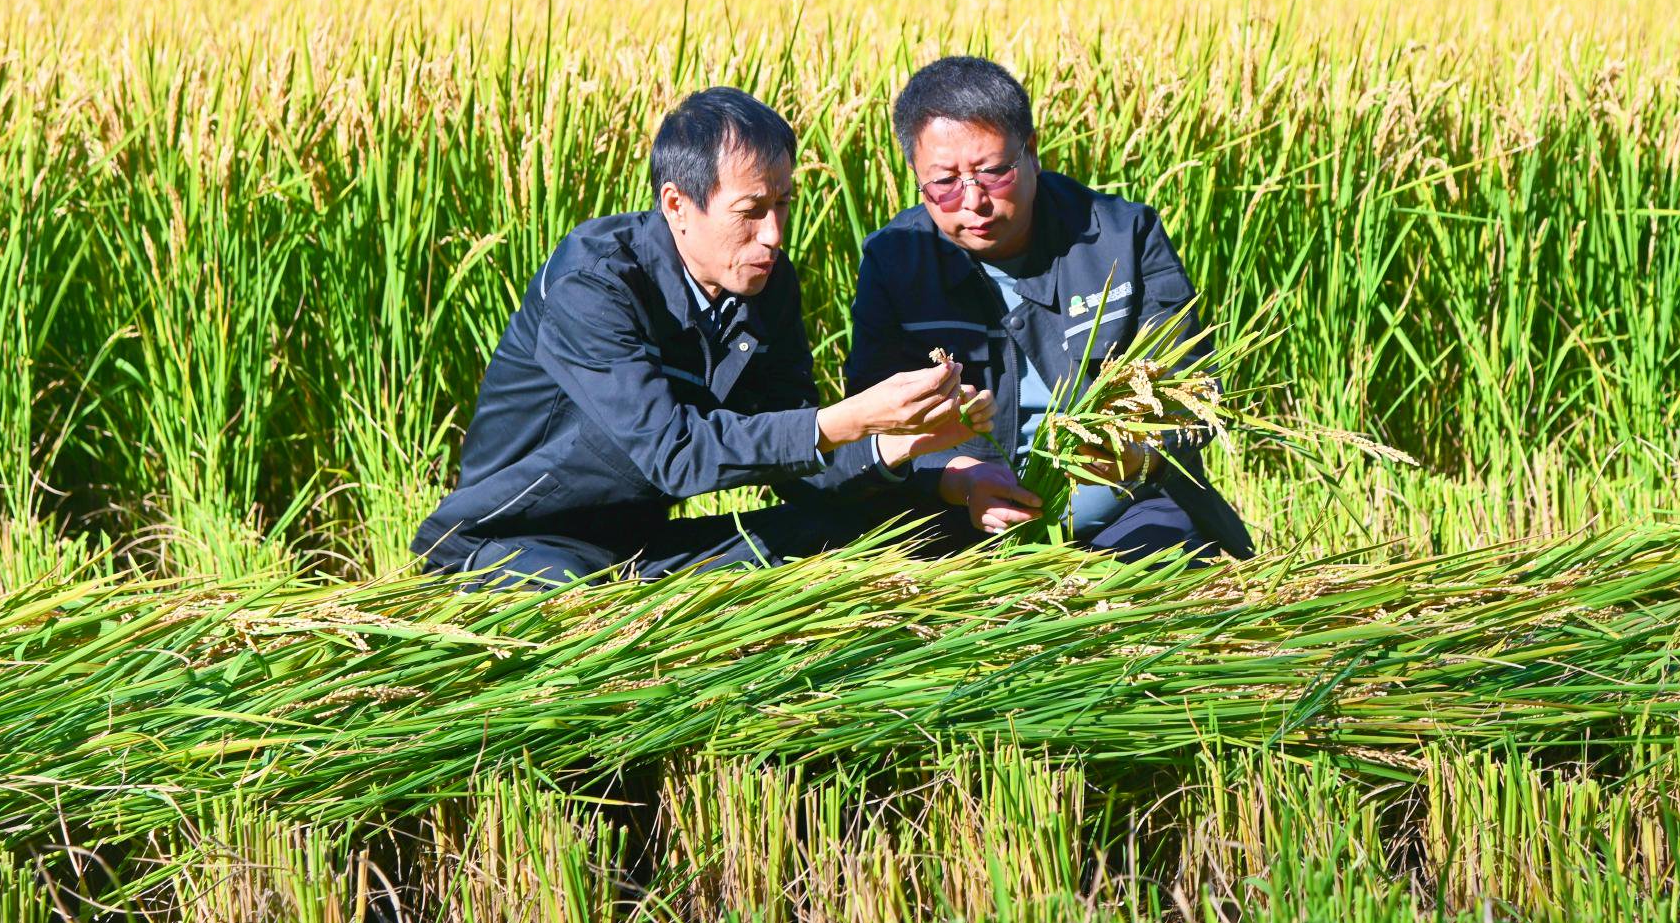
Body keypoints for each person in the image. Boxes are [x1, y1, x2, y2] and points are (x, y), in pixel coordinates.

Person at [412, 88, 993, 586]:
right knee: (593, 620)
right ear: (677, 205)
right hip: (511, 543)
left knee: (859, 540)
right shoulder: (594, 284)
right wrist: (851, 418)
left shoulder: (766, 283)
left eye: (784, 205)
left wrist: (901, 444)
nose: (773, 234)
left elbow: (795, 458)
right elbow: (676, 454)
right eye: (752, 210)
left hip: (638, 548)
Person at [845, 57, 1254, 560]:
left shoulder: (1125, 237)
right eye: (944, 183)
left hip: (1129, 508)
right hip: (958, 524)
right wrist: (956, 481)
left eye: (993, 172)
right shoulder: (893, 261)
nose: (973, 202)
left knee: (1180, 581)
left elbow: (1196, 394)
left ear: (1031, 153)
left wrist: (1137, 453)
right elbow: (870, 430)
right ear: (915, 176)